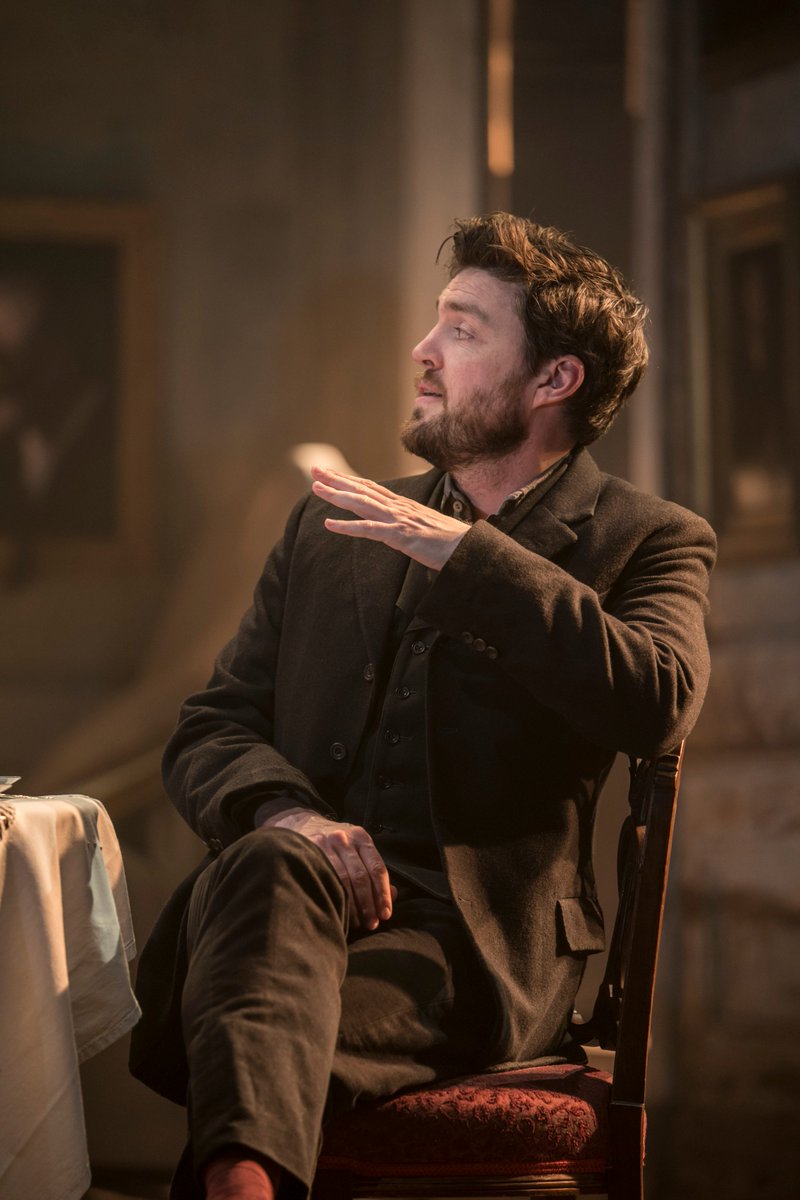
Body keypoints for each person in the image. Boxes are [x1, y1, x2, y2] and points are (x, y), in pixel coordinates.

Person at [130, 212, 715, 1200]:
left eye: (462, 329)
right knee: (270, 865)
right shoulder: (328, 524)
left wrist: (469, 558)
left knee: (249, 1036)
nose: (422, 349)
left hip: (473, 956)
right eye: (435, 321)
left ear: (553, 379)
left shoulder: (647, 537)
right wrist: (289, 811)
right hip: (280, 918)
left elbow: (655, 699)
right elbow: (212, 725)